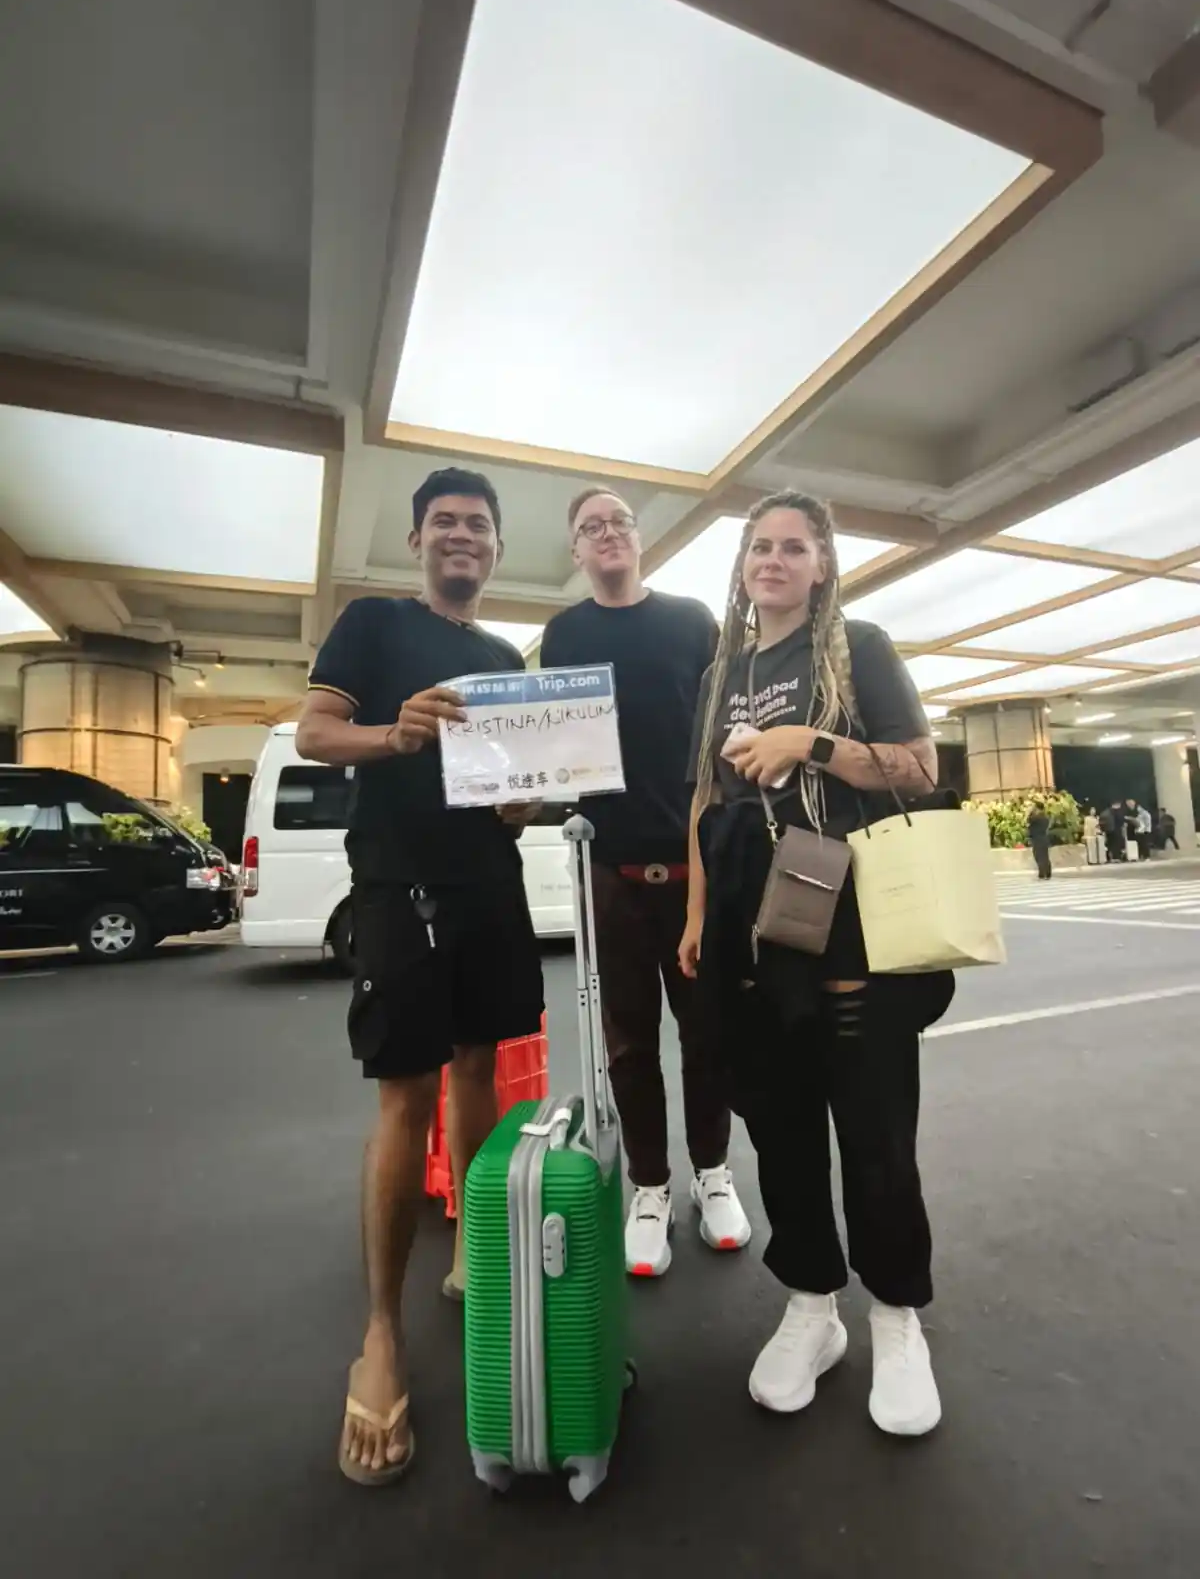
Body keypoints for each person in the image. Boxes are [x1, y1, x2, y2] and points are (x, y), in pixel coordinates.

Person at [680, 489, 952, 1437]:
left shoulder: (860, 646)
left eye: (795, 547)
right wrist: (697, 914)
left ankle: (896, 1318)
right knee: (783, 1130)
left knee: (874, 1130)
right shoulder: (724, 671)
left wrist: (815, 743)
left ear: (824, 565)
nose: (775, 560)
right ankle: (810, 1307)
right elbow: (705, 800)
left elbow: (919, 766)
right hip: (752, 936)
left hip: (852, 926)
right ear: (744, 564)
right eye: (761, 546)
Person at [296, 466, 545, 1486]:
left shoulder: (500, 656)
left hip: (489, 880)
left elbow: (513, 788)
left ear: (494, 548)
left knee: (481, 1067)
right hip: (399, 889)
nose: (461, 537)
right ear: (417, 541)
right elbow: (315, 732)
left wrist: (521, 803)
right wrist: (392, 732)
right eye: (444, 521)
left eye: (478, 525)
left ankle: (471, 1251)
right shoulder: (370, 623)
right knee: (406, 1096)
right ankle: (380, 1333)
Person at [539, 486, 749, 1276]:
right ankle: (650, 1186)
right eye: (590, 526)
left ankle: (714, 1174)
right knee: (629, 1041)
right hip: (611, 871)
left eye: (619, 522)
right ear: (577, 551)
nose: (608, 534)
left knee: (707, 1035)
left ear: (639, 539)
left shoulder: (692, 621)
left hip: (696, 866)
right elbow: (553, 744)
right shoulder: (563, 636)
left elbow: (729, 730)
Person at [1027, 803, 1052, 880]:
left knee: (1038, 856)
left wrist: (1031, 812)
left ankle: (1042, 873)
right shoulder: (1045, 817)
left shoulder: (1036, 818)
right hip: (1043, 838)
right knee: (1044, 856)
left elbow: (1029, 819)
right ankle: (1047, 873)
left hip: (1037, 839)